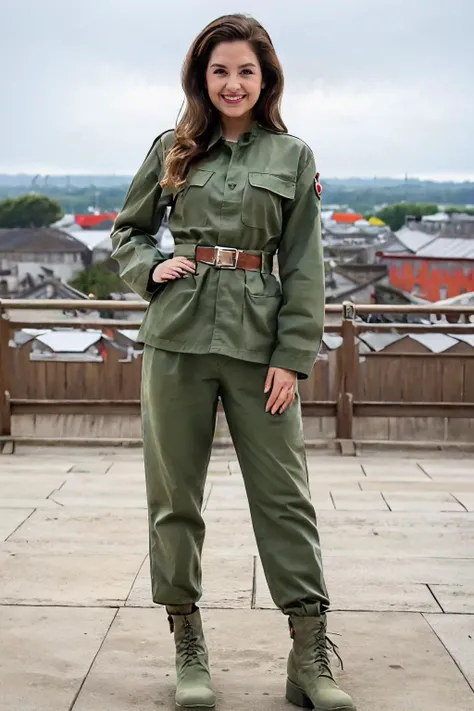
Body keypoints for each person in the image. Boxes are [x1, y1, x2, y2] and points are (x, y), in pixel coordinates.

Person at [111, 13, 356, 711]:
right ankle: (189, 648)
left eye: (245, 70)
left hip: (259, 351)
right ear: (202, 77)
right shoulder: (173, 147)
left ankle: (309, 655)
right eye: (220, 70)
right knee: (174, 501)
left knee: (285, 500)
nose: (233, 82)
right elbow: (127, 232)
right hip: (177, 342)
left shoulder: (294, 156)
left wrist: (293, 355)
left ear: (266, 77)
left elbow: (306, 263)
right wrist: (150, 266)